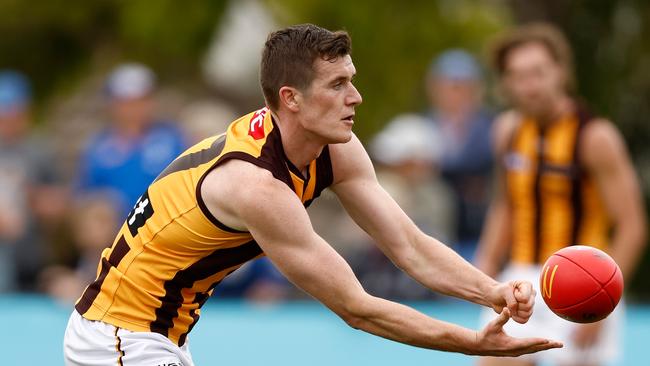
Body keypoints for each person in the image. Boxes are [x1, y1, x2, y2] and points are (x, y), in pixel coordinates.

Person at [63, 24, 562, 366]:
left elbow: (409, 245)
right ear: (290, 99)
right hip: (117, 339)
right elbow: (356, 308)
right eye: (338, 84)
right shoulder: (255, 186)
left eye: (353, 81)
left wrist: (491, 291)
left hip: (158, 337)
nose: (355, 97)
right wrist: (473, 343)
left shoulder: (334, 146)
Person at [474, 23, 647, 366]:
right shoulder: (506, 131)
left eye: (538, 73)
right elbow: (505, 205)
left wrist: (605, 304)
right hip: (522, 277)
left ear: (561, 72)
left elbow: (632, 226)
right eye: (517, 76)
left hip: (584, 279)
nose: (529, 86)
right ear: (506, 83)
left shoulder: (595, 137)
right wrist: (484, 269)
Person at [75, 63, 187, 218]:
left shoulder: (172, 139)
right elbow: (84, 194)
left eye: (140, 101)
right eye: (125, 102)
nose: (133, 109)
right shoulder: (98, 148)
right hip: (115, 233)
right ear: (112, 104)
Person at [0, 70, 67, 292]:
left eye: (14, 114)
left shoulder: (40, 151)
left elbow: (61, 203)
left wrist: (34, 199)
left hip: (34, 255)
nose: (8, 121)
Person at [425, 49, 494, 262]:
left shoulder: (494, 127)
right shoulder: (421, 127)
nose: (456, 93)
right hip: (436, 230)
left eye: (463, 87)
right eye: (450, 86)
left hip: (480, 226)